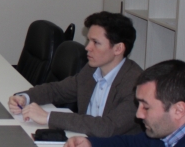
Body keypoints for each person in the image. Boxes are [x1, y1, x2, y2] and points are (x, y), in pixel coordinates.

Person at [8, 11, 142, 137]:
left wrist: (48, 117)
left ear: (118, 48)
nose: (87, 47)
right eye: (89, 40)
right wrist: (25, 97)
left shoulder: (136, 84)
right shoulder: (91, 70)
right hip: (83, 141)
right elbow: (57, 90)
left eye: (96, 43)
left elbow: (107, 127)